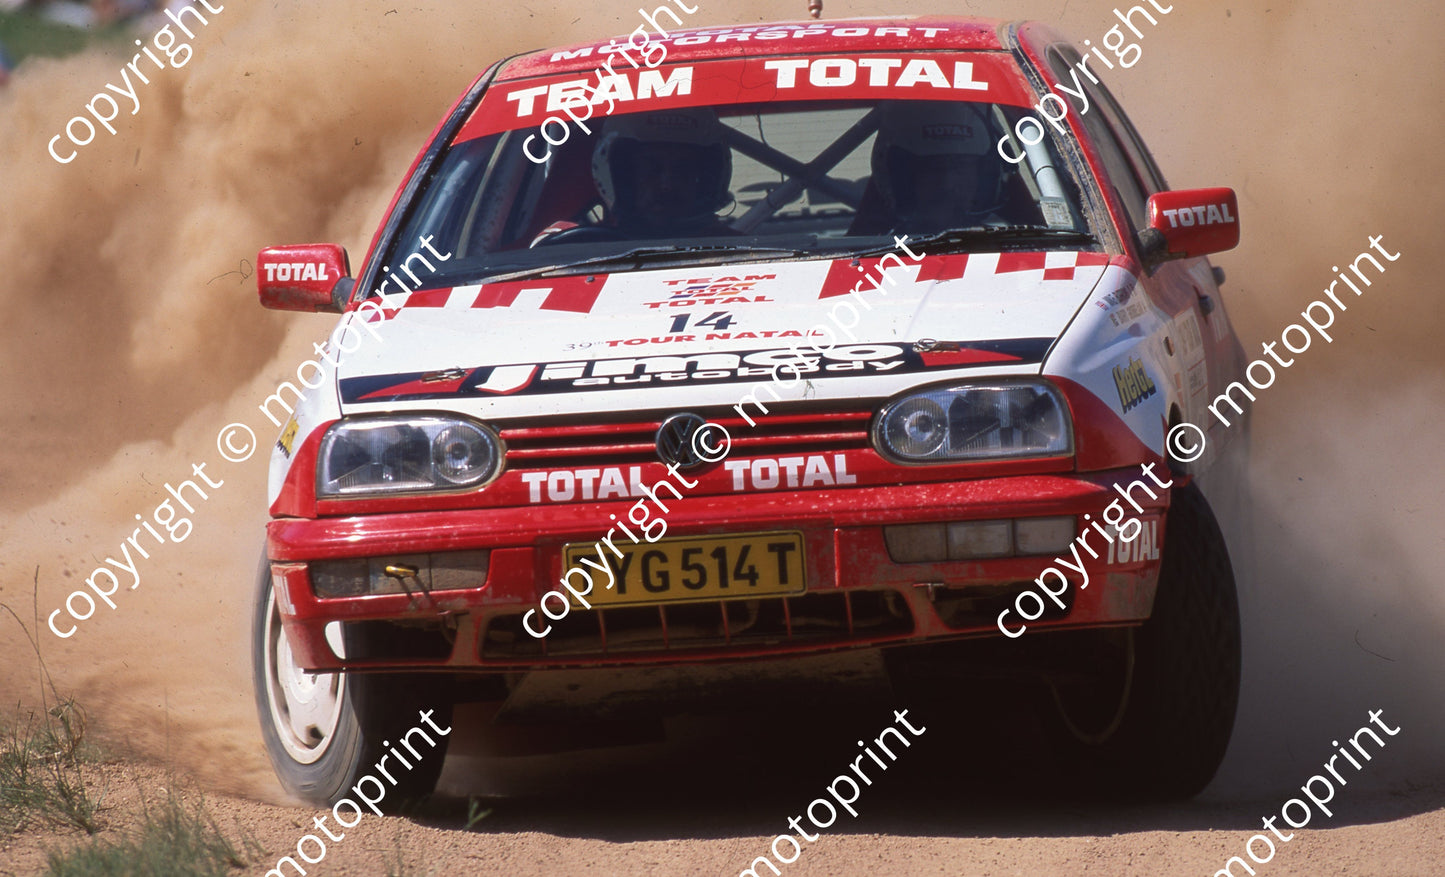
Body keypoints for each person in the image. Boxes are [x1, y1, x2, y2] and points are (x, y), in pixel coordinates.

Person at [867, 100, 1011, 234]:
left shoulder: (1009, 249)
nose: (948, 183)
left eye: (961, 167)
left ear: (984, 177)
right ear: (904, 179)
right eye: (935, 168)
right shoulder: (878, 255)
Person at [590, 107, 735, 237]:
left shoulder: (738, 253)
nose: (667, 185)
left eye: (682, 170)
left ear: (707, 179)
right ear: (624, 177)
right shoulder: (588, 250)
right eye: (651, 169)